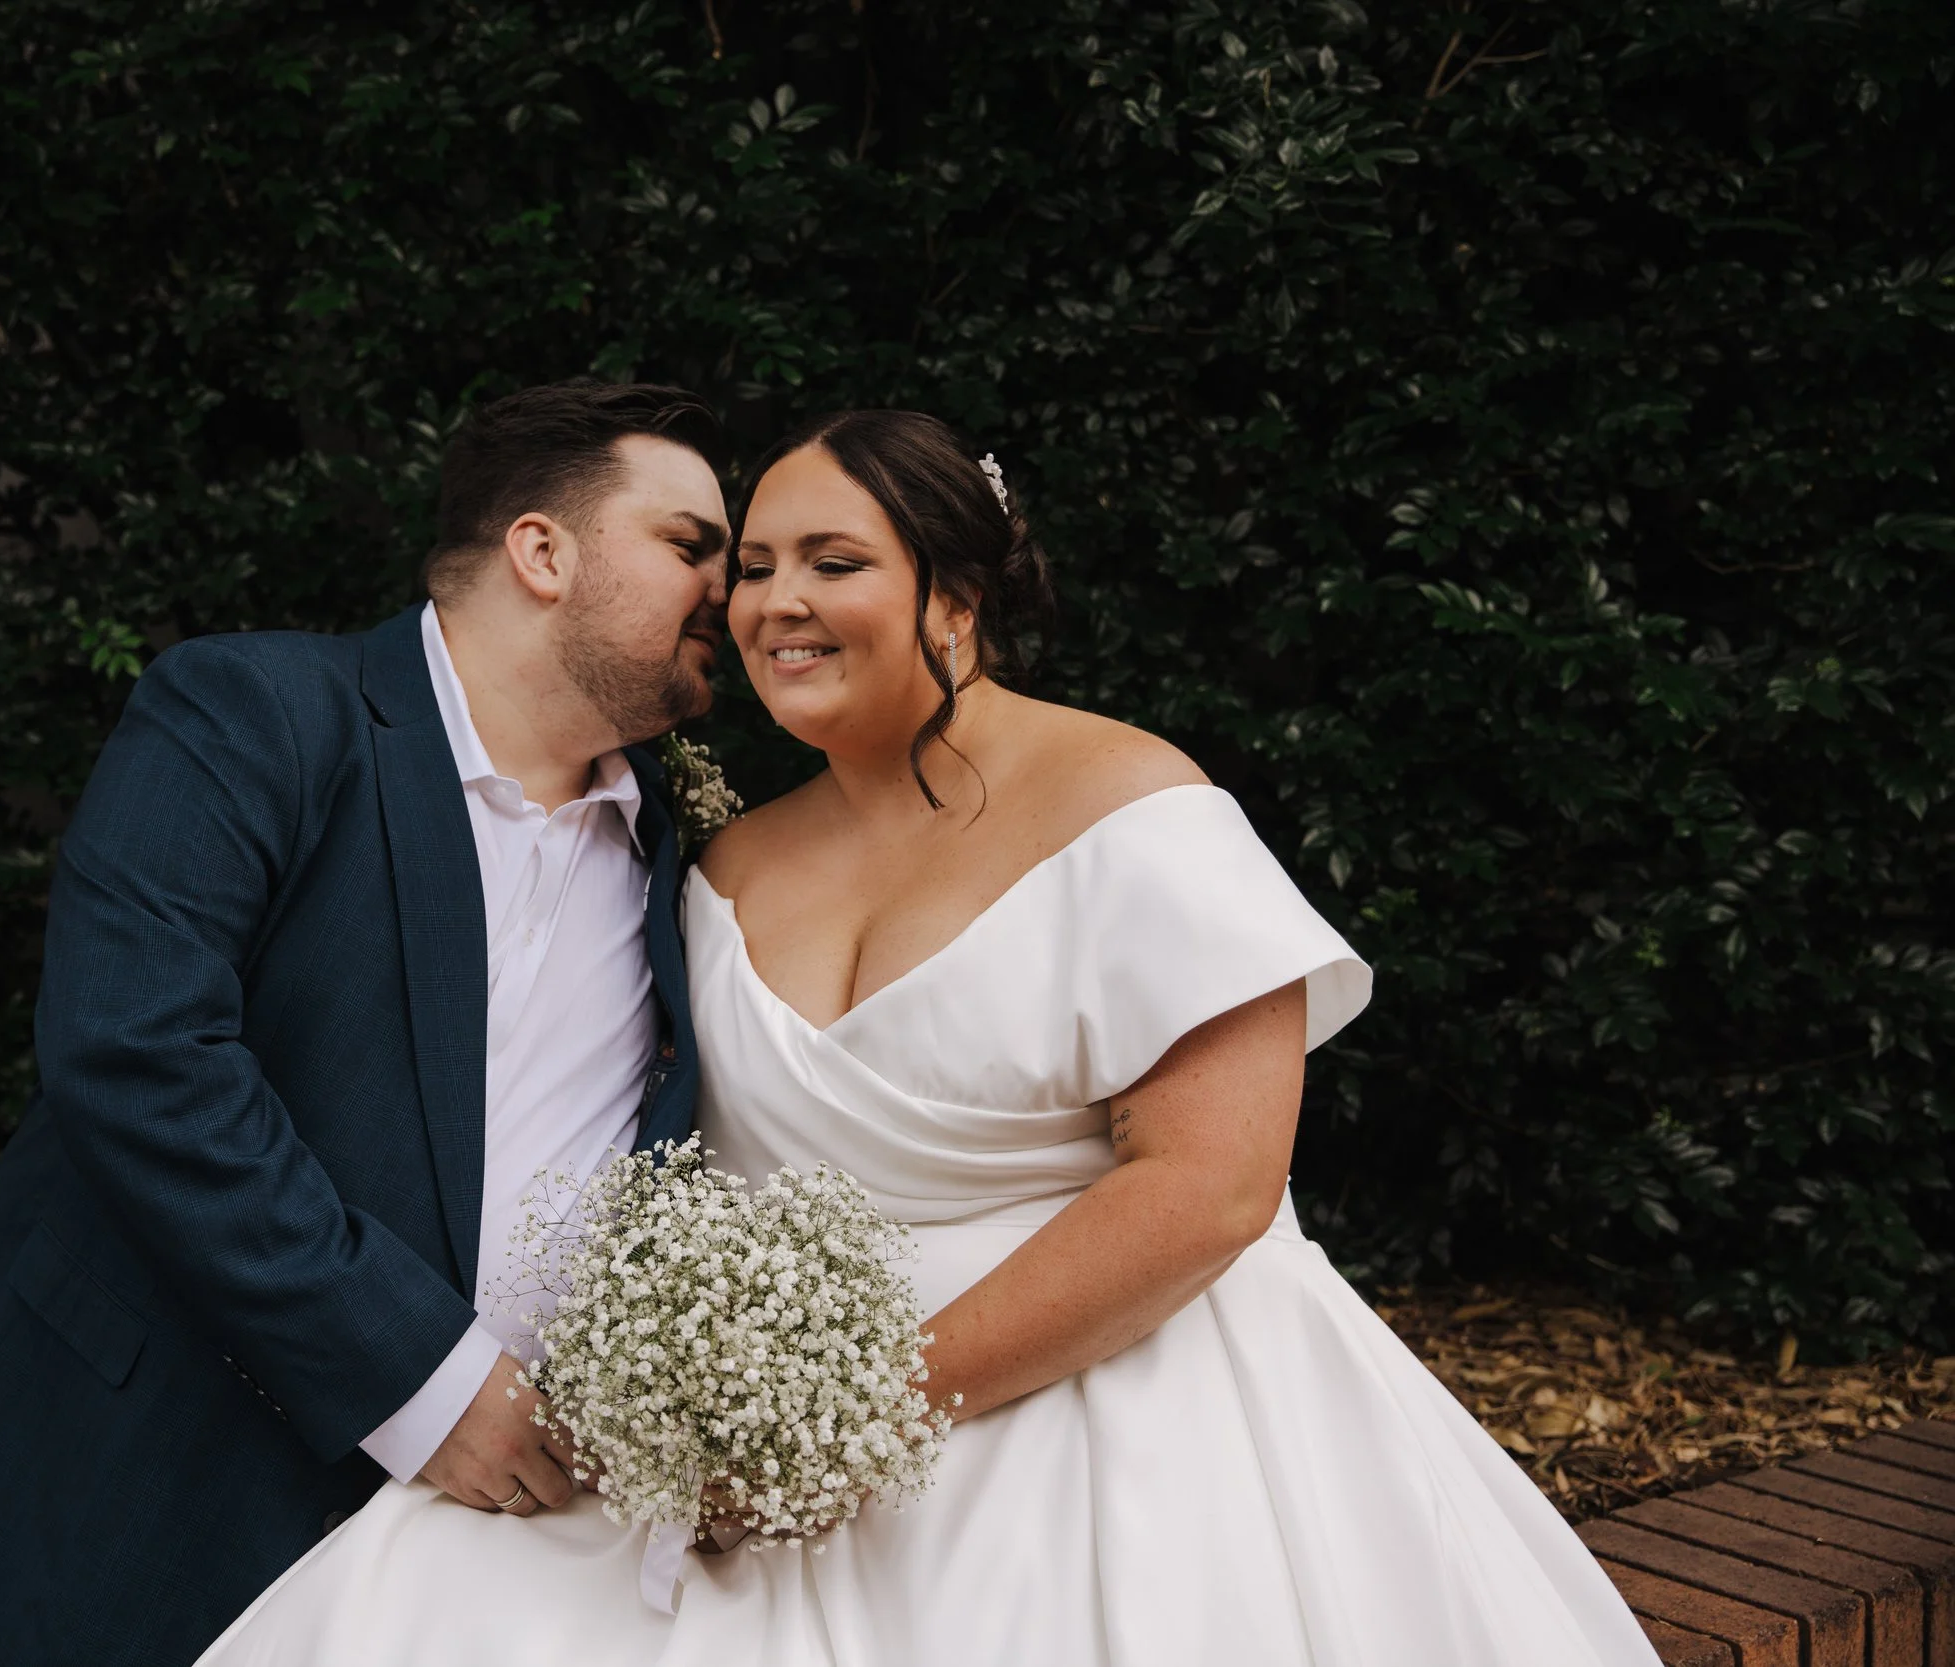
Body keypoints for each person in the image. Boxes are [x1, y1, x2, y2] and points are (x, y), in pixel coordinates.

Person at [195, 410, 1662, 1665]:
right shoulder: (717, 863)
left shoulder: (1134, 805)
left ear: (955, 594)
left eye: (836, 563)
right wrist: (695, 1402)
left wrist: (853, 1417)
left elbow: (1212, 1185)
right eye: (752, 568)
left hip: (1113, 1409)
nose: (774, 601)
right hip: (759, 1435)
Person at [0, 380, 735, 1666]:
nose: (740, 586)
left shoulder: (681, 841)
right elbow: (138, 1056)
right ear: (542, 550)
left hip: (498, 1568)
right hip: (149, 1496)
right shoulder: (256, 712)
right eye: (691, 544)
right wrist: (420, 1379)